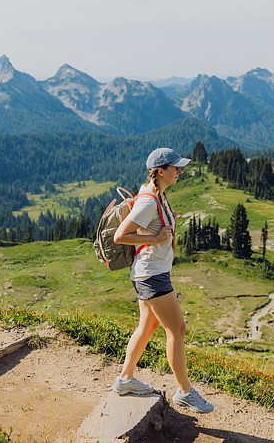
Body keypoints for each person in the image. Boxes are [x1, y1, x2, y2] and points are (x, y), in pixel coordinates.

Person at [110, 147, 214, 414]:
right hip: (151, 275)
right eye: (175, 167)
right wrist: (154, 239)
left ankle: (125, 380)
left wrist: (166, 222)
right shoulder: (148, 200)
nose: (179, 171)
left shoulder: (158, 196)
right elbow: (120, 236)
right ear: (160, 171)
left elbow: (152, 226)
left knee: (147, 326)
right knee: (177, 329)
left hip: (151, 273)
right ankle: (185, 392)